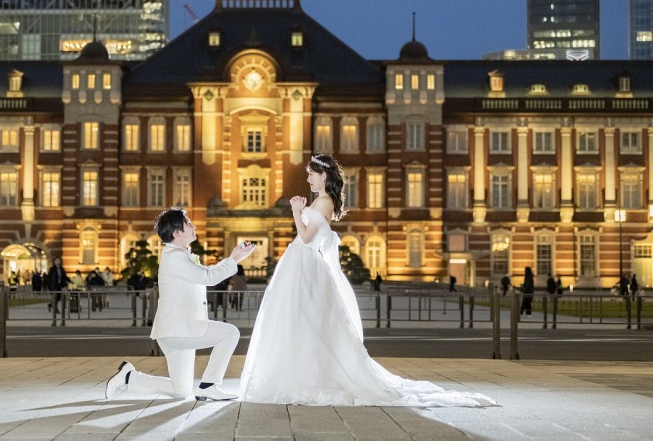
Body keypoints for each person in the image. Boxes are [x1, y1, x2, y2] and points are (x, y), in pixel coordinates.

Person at [239, 153, 495, 407]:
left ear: (323, 176)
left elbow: (305, 238)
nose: (307, 179)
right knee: (299, 320)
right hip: (301, 265)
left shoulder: (324, 202)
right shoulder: (320, 202)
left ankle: (307, 376)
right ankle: (301, 373)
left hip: (305, 265)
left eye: (311, 174)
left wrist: (296, 211)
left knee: (307, 320)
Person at [105, 207, 256, 402]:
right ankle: (209, 386)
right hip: (179, 330)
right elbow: (208, 277)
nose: (193, 226)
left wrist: (233, 257)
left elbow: (205, 273)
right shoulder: (175, 257)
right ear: (176, 232)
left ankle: (129, 377)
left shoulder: (179, 255)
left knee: (181, 391)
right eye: (188, 223)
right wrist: (234, 258)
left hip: (174, 332)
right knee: (230, 334)